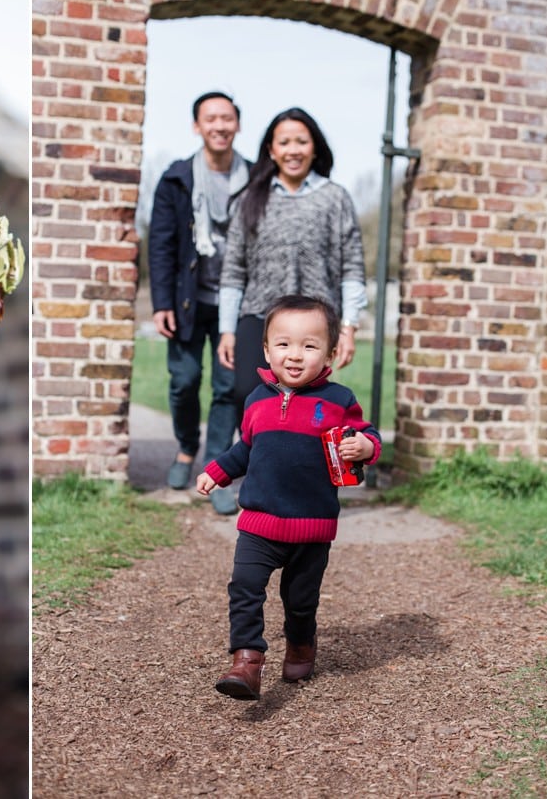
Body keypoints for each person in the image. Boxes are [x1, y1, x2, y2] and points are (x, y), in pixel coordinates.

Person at [196, 295, 380, 700]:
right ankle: (247, 659)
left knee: (300, 600)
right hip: (260, 523)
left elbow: (368, 435)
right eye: (283, 344)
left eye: (309, 346)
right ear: (266, 349)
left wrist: (364, 447)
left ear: (330, 352)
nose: (294, 356)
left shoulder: (339, 400)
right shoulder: (256, 400)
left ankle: (301, 641)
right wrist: (217, 471)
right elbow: (246, 448)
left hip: (311, 526)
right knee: (244, 586)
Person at [216, 107, 368, 423]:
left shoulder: (335, 198)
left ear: (315, 148)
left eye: (302, 141)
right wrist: (227, 330)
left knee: (308, 404)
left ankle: (298, 468)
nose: (293, 150)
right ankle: (256, 467)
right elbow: (233, 269)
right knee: (248, 394)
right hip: (259, 314)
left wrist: (348, 326)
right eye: (284, 142)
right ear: (272, 150)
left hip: (317, 318)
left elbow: (352, 264)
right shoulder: (250, 199)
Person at [148, 91, 252, 514]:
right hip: (188, 300)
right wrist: (161, 302)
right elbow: (161, 244)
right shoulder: (176, 178)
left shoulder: (257, 177)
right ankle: (187, 448)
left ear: (237, 125)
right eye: (210, 118)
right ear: (197, 126)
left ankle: (216, 467)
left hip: (238, 301)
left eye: (227, 118)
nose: (219, 126)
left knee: (229, 388)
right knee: (184, 380)